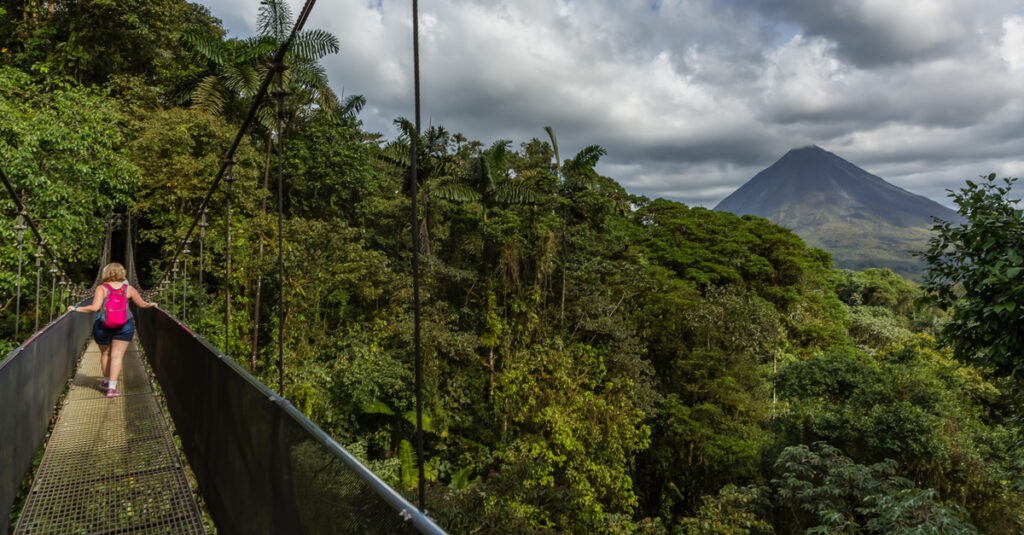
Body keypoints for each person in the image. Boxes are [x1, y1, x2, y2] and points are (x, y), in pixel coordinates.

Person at [68, 262, 157, 398]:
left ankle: (105, 381)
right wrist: (151, 304)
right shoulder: (129, 289)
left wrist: (76, 308)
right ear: (122, 273)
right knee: (117, 356)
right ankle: (112, 389)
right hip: (124, 325)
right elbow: (142, 304)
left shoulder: (102, 288)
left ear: (105, 273)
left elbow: (94, 307)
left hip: (103, 325)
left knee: (105, 354)